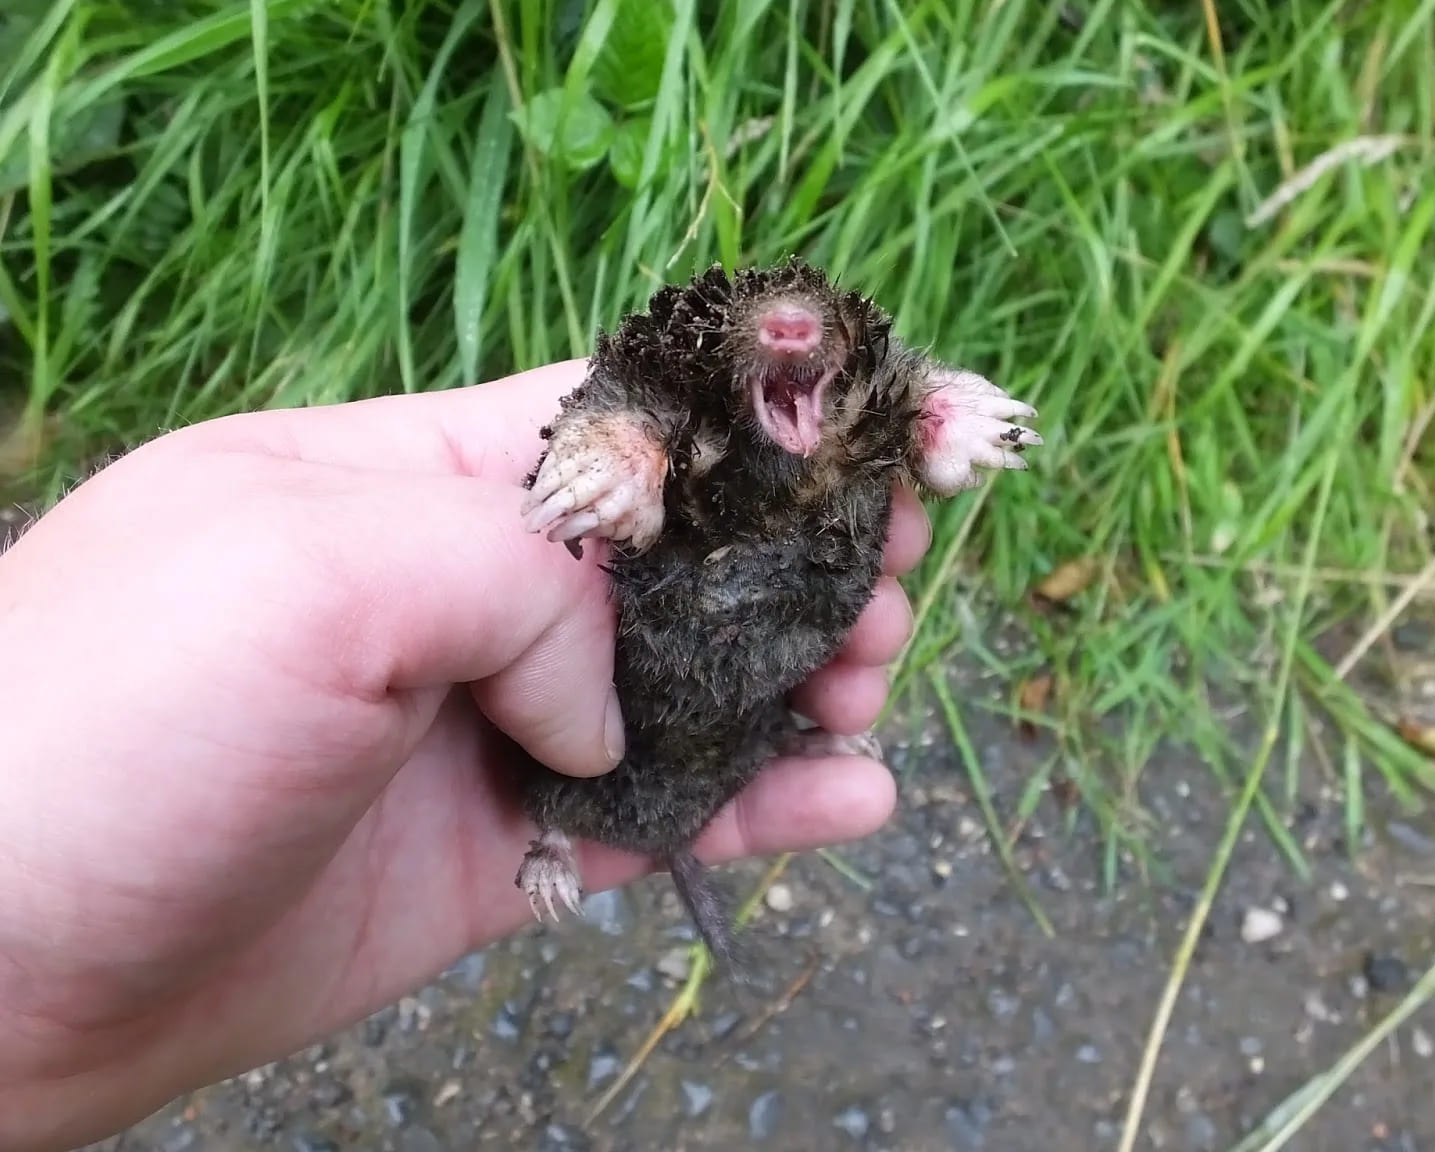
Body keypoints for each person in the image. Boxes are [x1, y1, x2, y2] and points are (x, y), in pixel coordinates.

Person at [0, 359, 923, 1152]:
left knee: (783, 684)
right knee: (613, 741)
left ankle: (798, 739)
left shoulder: (836, 476)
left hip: (724, 733)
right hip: (588, 742)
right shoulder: (656, 419)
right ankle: (576, 824)